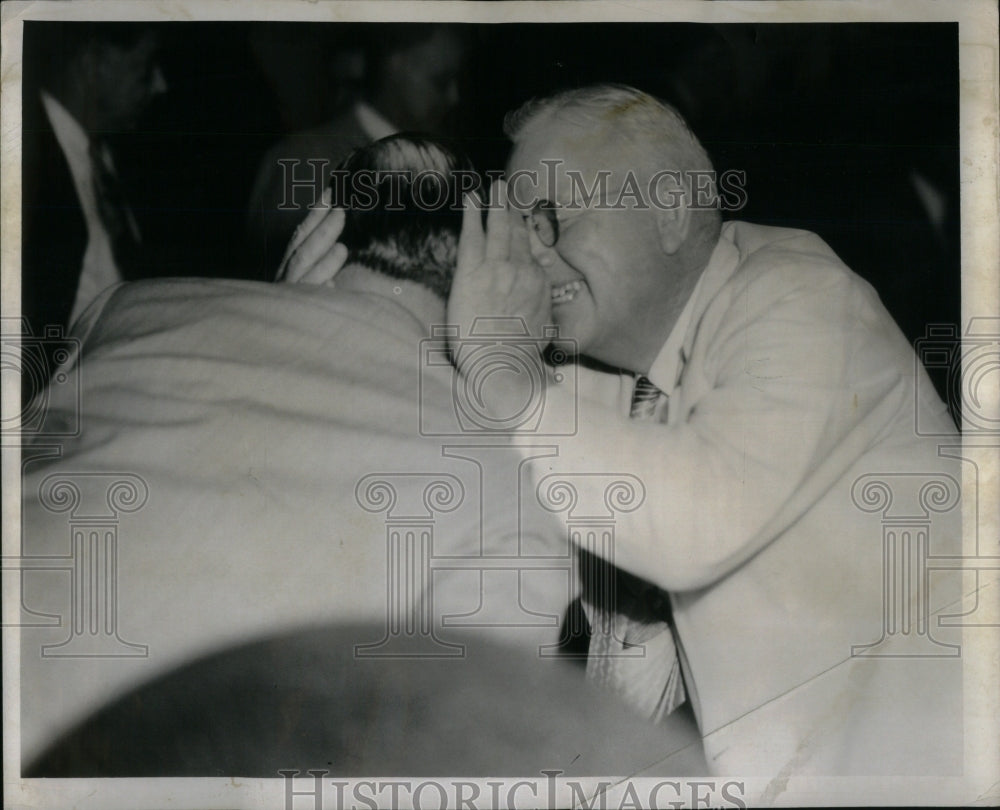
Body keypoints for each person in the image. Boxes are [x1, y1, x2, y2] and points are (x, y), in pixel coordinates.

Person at [282, 85, 964, 777]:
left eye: (549, 218)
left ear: (668, 209)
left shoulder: (802, 295)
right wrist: (316, 334)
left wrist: (504, 374)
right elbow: (434, 421)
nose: (531, 258)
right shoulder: (602, 370)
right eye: (518, 228)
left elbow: (697, 519)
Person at [19, 135, 591, 769]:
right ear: (499, 291)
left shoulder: (123, 309)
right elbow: (459, 760)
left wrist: (284, 309)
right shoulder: (510, 493)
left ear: (323, 228)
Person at [21, 23, 167, 402]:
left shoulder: (105, 159)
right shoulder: (23, 160)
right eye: (145, 66)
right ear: (91, 62)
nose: (160, 85)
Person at [247, 24, 466, 273]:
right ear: (393, 66)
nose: (454, 97)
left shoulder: (445, 164)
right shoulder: (304, 159)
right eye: (441, 82)